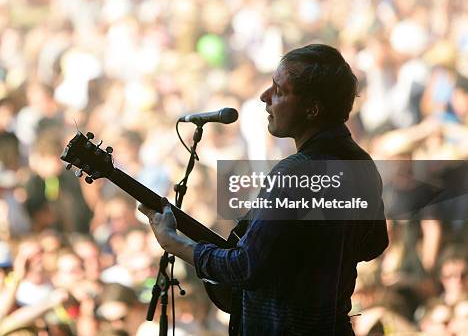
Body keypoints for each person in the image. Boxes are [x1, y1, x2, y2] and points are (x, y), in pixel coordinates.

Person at [139, 44, 389, 335]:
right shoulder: (360, 163)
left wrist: (174, 242)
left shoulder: (296, 172)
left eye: (280, 91)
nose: (265, 97)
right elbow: (374, 243)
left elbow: (245, 267)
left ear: (312, 108)